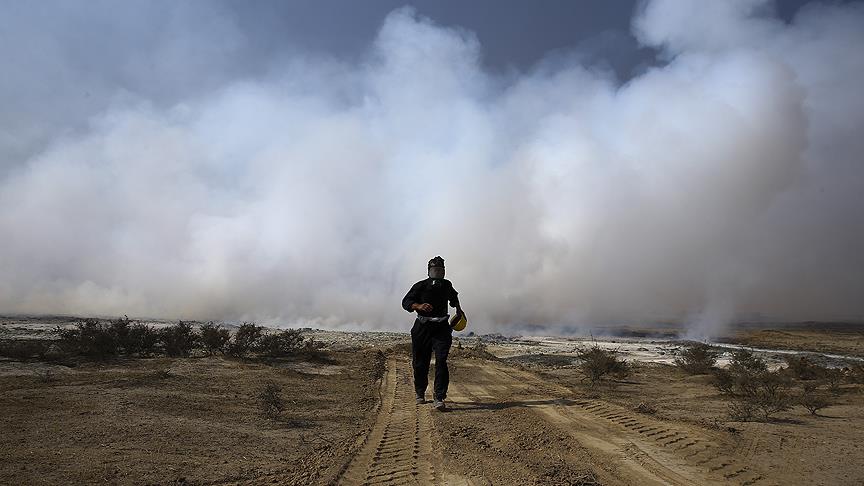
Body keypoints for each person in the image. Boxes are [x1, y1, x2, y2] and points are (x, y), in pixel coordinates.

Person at [402, 256, 463, 411]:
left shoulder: (447, 285)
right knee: (420, 362)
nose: (438, 273)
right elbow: (406, 302)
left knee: (441, 360)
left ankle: (439, 397)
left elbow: (454, 297)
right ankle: (420, 391)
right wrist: (418, 306)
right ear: (429, 271)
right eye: (435, 270)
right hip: (422, 327)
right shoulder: (420, 286)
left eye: (440, 270)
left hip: (441, 327)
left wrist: (458, 310)